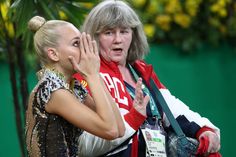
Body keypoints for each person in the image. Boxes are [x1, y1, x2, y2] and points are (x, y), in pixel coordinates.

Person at [74, 0, 221, 157]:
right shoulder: (86, 75)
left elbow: (173, 110)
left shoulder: (140, 70)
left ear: (134, 34)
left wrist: (202, 129)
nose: (118, 39)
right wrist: (133, 118)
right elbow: (84, 144)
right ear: (93, 38)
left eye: (124, 31)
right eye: (108, 32)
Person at [25, 15, 134, 156]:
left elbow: (119, 128)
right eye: (76, 44)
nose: (84, 50)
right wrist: (92, 75)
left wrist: (95, 73)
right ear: (53, 54)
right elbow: (110, 130)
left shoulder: (73, 87)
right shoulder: (53, 91)